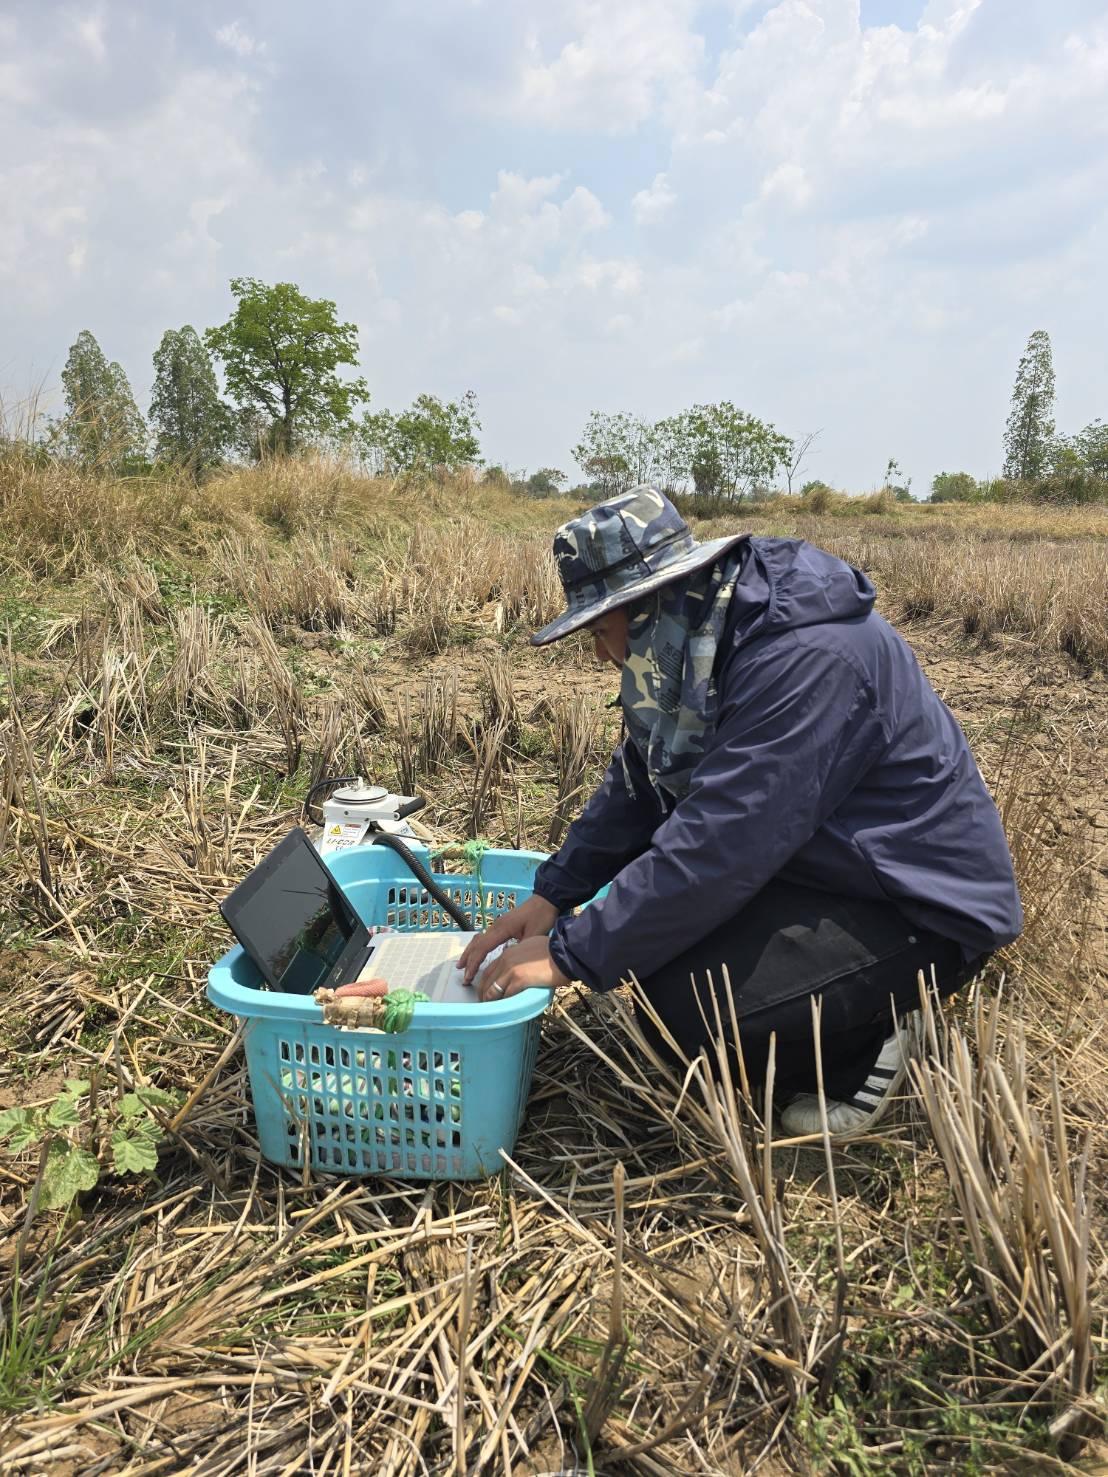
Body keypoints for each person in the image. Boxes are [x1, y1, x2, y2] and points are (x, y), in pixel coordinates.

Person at [459, 487, 1022, 1137]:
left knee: (683, 1013)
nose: (600, 654)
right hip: (826, 868)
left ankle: (874, 1037)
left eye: (600, 631)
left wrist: (572, 953)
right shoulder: (699, 642)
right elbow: (640, 782)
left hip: (917, 901)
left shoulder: (803, 659)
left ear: (646, 606)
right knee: (653, 964)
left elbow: (723, 843)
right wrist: (555, 893)